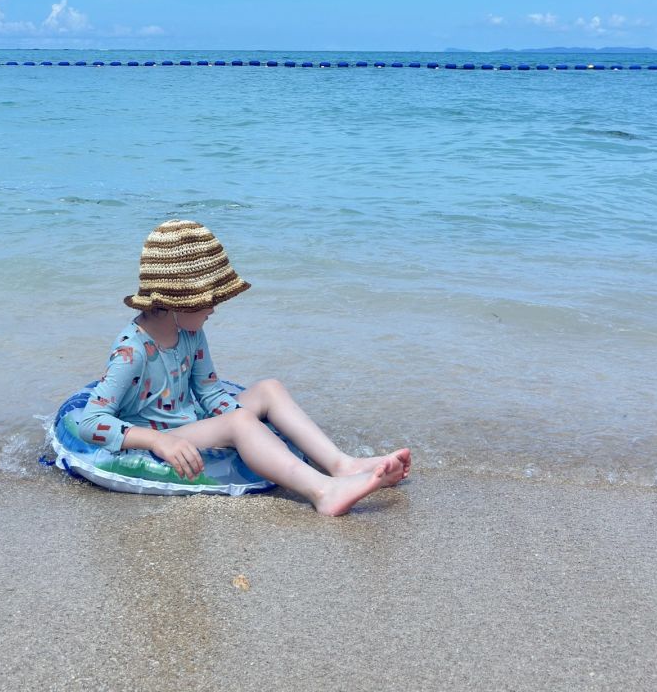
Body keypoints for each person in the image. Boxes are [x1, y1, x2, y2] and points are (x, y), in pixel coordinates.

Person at [78, 218, 410, 516]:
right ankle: (322, 491)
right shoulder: (131, 351)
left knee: (269, 389)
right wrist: (156, 441)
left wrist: (245, 421)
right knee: (239, 422)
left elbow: (208, 390)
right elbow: (90, 422)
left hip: (188, 418)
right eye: (210, 300)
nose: (215, 309)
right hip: (159, 431)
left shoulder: (190, 334)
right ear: (176, 301)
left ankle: (341, 465)